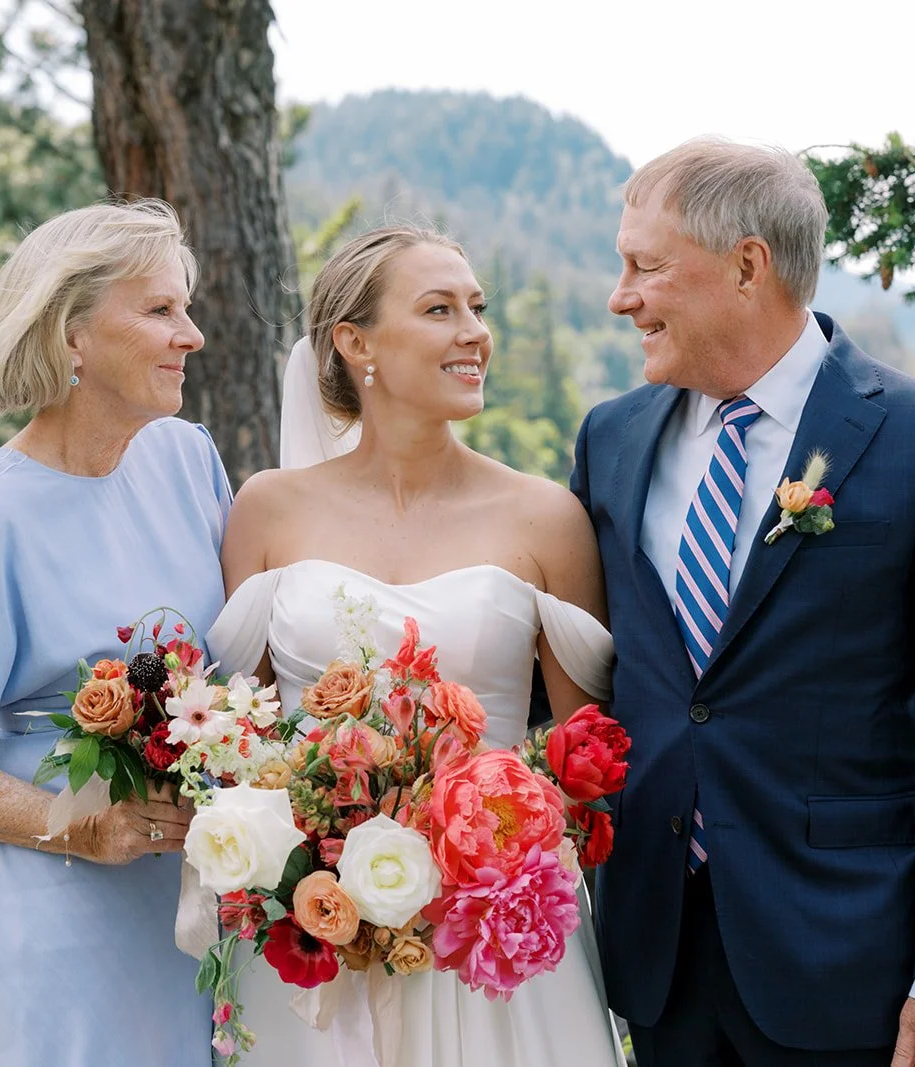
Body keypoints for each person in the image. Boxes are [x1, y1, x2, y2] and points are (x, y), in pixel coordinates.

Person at [574, 136, 915, 1067]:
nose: (621, 296)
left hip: (848, 960)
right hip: (655, 957)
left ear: (749, 265)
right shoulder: (611, 438)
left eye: (645, 267)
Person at [206, 224, 626, 1067]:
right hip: (315, 945)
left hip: (490, 948)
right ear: (354, 341)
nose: (475, 331)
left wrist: (488, 848)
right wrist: (314, 855)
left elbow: (590, 765)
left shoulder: (546, 518)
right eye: (440, 309)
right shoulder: (266, 511)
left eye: (478, 307)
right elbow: (237, 744)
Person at [0, 200, 228, 1067]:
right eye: (159, 310)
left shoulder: (188, 460)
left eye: (185, 307)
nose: (192, 335)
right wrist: (82, 824)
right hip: (68, 896)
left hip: (207, 888)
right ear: (70, 335)